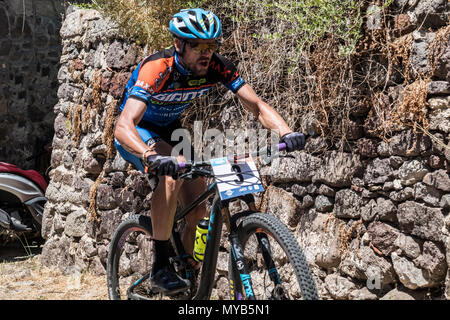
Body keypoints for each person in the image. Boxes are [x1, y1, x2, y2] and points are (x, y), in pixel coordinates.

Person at [114, 8, 306, 295]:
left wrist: (286, 132)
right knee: (172, 173)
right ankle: (160, 266)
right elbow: (123, 124)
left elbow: (256, 105)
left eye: (212, 46)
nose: (206, 53)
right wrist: (150, 156)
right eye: (198, 47)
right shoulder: (159, 68)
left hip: (171, 131)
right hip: (138, 132)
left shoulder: (217, 66)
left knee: (197, 211)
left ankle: (188, 269)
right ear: (179, 44)